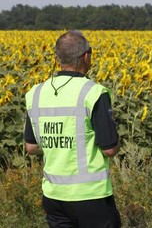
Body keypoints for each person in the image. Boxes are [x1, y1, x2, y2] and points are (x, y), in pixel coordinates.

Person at [24, 30, 121, 227]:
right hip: (90, 196)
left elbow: (31, 147)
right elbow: (109, 149)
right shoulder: (93, 92)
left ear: (57, 58)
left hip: (53, 196)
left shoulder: (36, 93)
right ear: (86, 56)